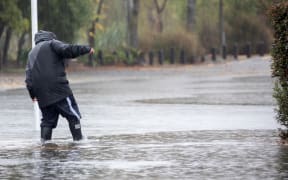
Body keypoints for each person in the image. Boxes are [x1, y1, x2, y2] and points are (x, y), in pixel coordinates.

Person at [25, 30, 94, 144]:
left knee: (47, 121)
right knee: (73, 116)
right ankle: (79, 142)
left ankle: (45, 146)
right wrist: (86, 49)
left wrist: (33, 94)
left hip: (42, 95)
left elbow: (28, 79)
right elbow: (68, 49)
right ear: (50, 37)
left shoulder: (31, 54)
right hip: (59, 90)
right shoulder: (52, 43)